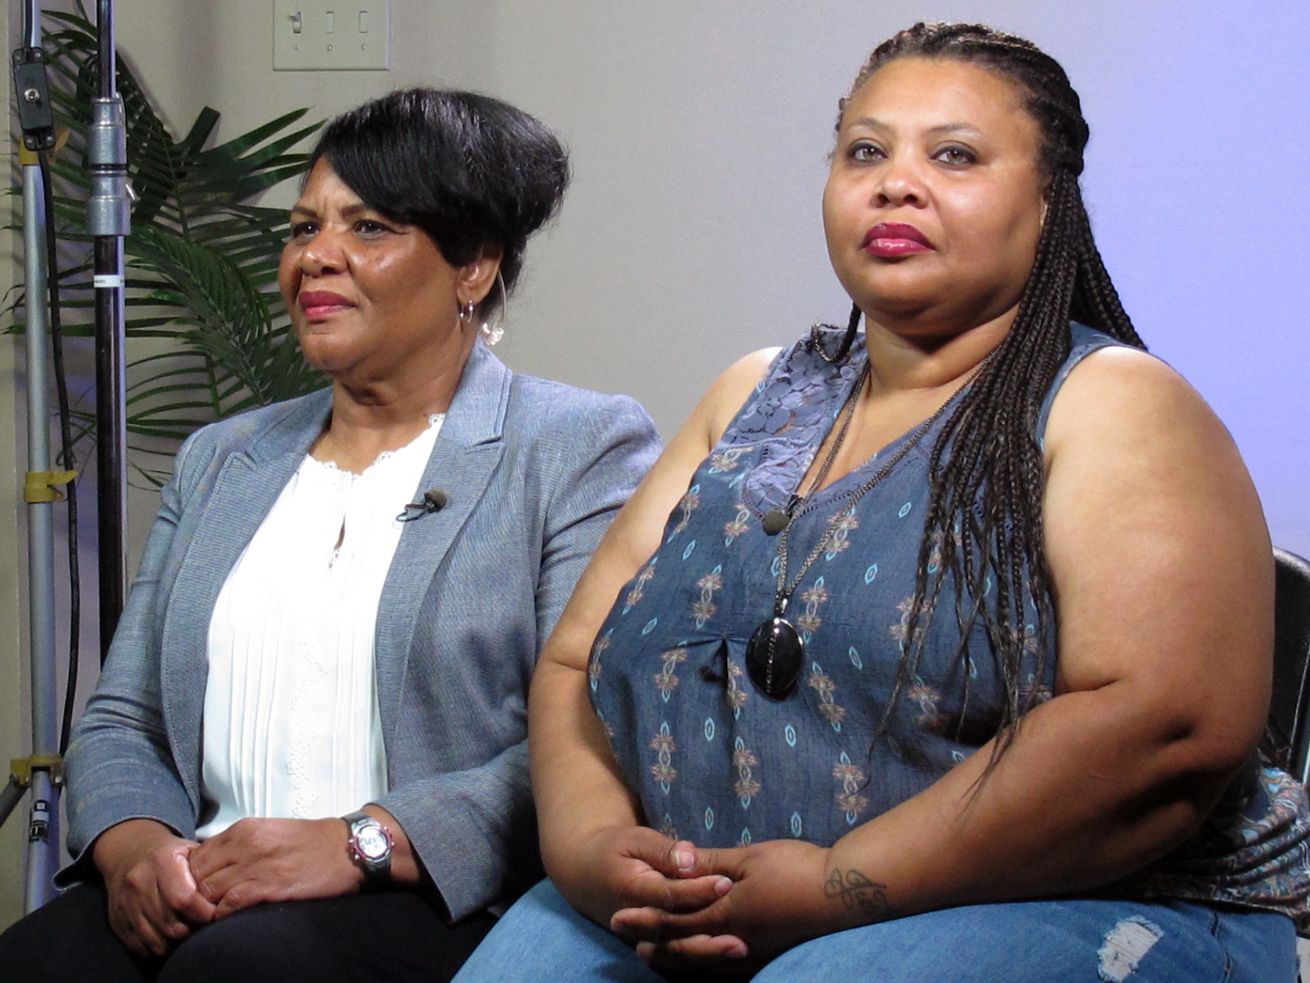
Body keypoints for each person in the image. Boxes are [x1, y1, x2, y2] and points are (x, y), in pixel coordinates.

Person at [455, 22, 1310, 983]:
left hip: (1097, 903)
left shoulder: (1111, 399)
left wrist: (833, 885)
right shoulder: (751, 393)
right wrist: (591, 848)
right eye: (866, 150)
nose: (895, 182)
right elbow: (575, 661)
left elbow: (1164, 729)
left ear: (1046, 202)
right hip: (712, 892)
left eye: (954, 154)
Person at [0, 88, 660, 982]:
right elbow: (124, 717)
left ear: (474, 267)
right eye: (304, 228)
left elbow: (587, 734)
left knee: (239, 972)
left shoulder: (580, 448)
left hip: (436, 895)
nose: (316, 256)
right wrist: (135, 849)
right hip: (205, 873)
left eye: (370, 227)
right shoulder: (221, 458)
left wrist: (363, 843)